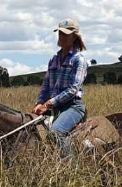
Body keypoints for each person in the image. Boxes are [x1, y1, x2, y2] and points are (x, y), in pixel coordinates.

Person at [33, 18, 89, 157]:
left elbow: (73, 89)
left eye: (66, 34)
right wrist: (40, 103)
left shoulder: (78, 60)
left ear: (75, 36)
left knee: (56, 132)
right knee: (29, 128)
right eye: (60, 34)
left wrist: (49, 103)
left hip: (72, 107)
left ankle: (70, 168)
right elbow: (46, 85)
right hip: (52, 106)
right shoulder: (54, 59)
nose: (62, 37)